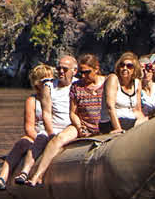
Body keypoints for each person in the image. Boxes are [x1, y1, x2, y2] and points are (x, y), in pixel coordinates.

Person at [24, 56, 99, 187]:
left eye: (64, 69)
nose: (61, 71)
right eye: (58, 68)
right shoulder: (68, 87)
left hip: (91, 125)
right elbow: (62, 113)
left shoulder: (90, 84)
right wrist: (52, 132)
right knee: (47, 139)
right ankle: (32, 174)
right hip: (67, 127)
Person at [0, 66, 60, 190]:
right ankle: (2, 177)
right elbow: (29, 128)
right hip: (38, 135)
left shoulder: (59, 97)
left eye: (52, 79)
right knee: (22, 143)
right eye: (45, 80)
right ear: (37, 83)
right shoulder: (32, 100)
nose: (49, 83)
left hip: (56, 132)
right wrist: (41, 141)